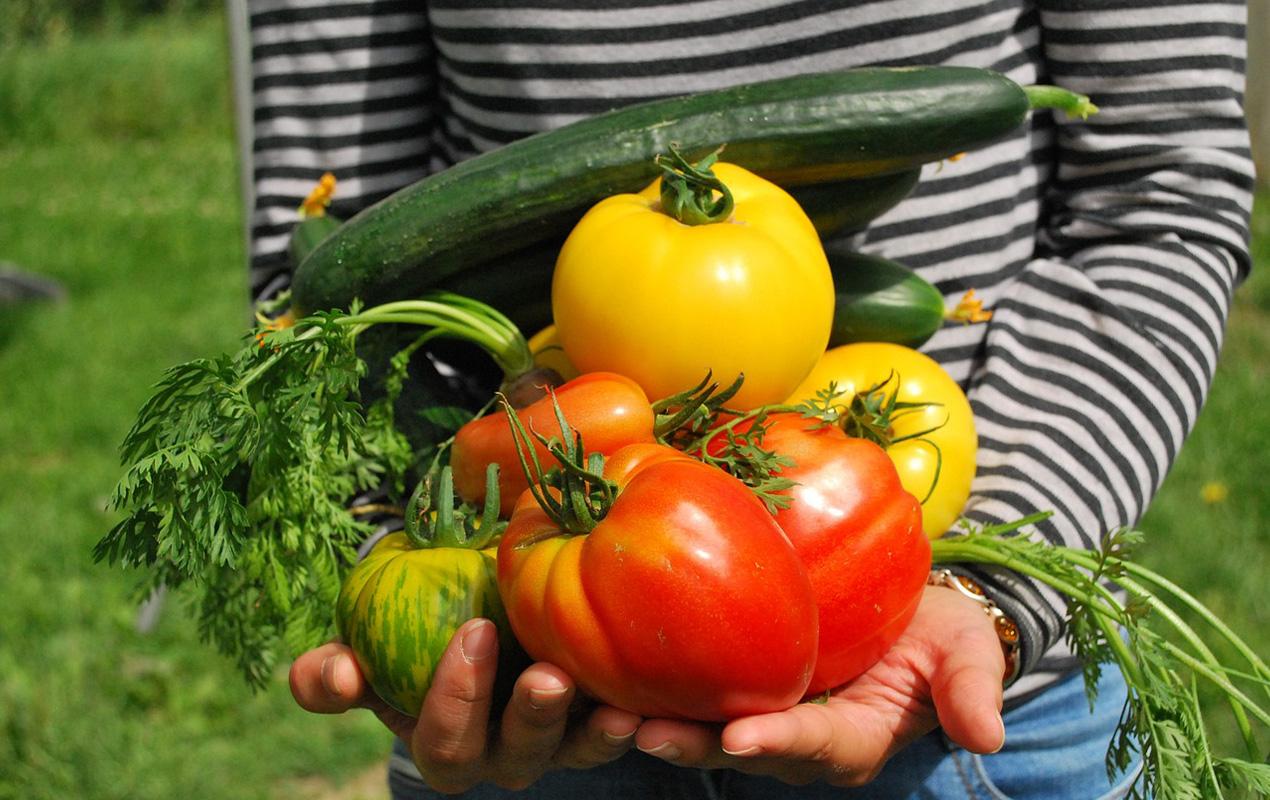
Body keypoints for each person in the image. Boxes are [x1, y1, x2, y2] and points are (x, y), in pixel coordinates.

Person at [244, 1, 1256, 797]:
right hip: (517, 657)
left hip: (968, 704)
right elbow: (325, 274)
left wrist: (988, 591)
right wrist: (401, 568)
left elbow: (1158, 198)